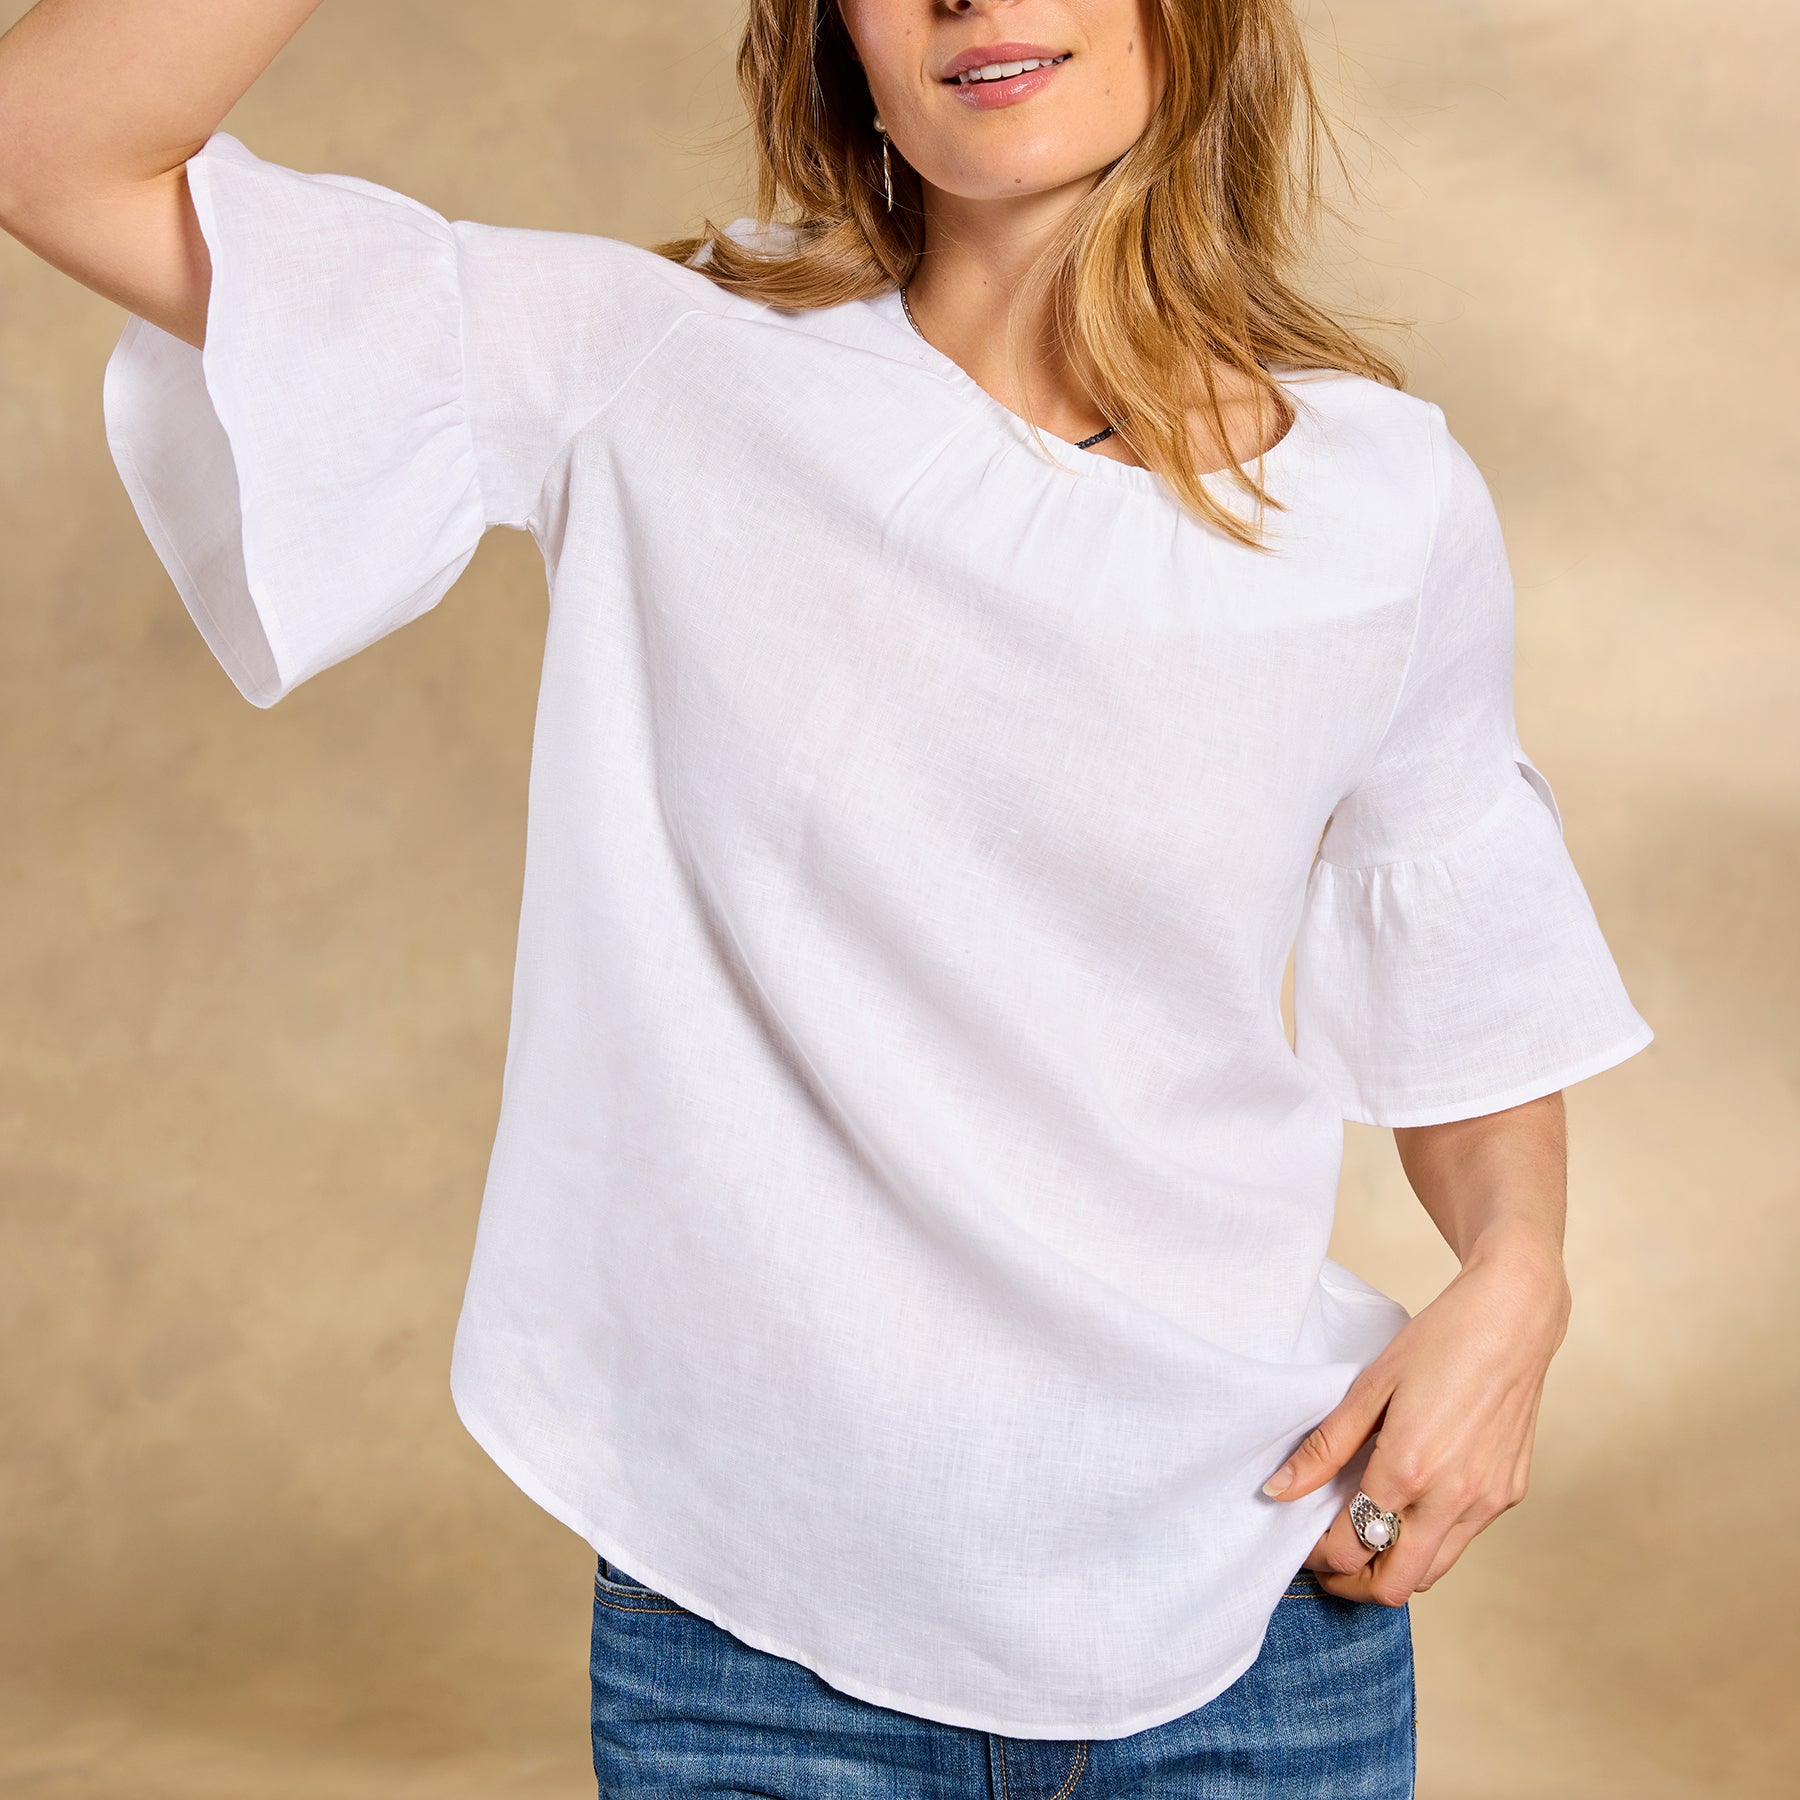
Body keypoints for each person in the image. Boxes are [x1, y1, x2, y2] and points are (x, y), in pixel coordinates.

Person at [0, 0, 1655, 1793]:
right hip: (757, 1634)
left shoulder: (1384, 504)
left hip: (1251, 1608)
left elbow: (1462, 961)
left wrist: (1520, 1278)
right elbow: (46, 145)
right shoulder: (658, 366)